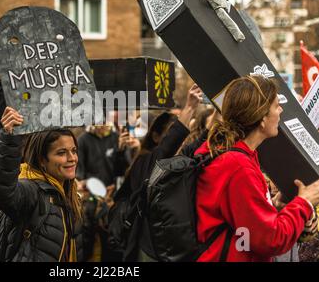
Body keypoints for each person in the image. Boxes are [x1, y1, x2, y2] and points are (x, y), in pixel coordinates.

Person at [194, 75, 319, 262]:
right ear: (261, 118)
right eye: (277, 105)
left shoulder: (234, 154)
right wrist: (305, 201)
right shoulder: (238, 166)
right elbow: (271, 240)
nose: (281, 110)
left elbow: (243, 222)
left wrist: (276, 207)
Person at [114, 84, 203, 261]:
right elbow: (170, 144)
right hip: (149, 248)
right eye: (171, 132)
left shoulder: (177, 162)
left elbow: (200, 140)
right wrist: (190, 106)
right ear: (156, 137)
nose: (184, 139)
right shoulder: (145, 161)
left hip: (166, 246)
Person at [0, 107, 84, 262]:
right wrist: (9, 137)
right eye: (61, 153)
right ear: (42, 160)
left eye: (74, 150)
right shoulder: (31, 190)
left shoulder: (70, 194)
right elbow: (0, 190)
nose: (72, 158)